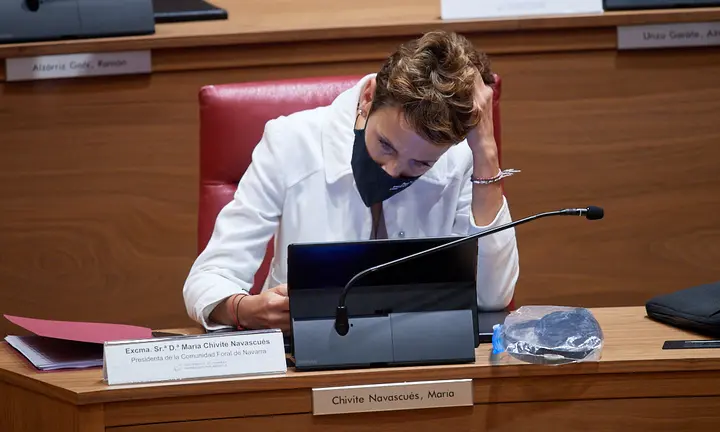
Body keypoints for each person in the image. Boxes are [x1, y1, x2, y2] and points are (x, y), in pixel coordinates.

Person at [182, 30, 520, 333]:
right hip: (301, 355)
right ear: (368, 97)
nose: (392, 171)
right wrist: (244, 310)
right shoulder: (290, 141)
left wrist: (486, 154)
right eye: (385, 145)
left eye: (420, 163)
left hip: (421, 351)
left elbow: (493, 297)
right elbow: (208, 279)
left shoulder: (458, 158)